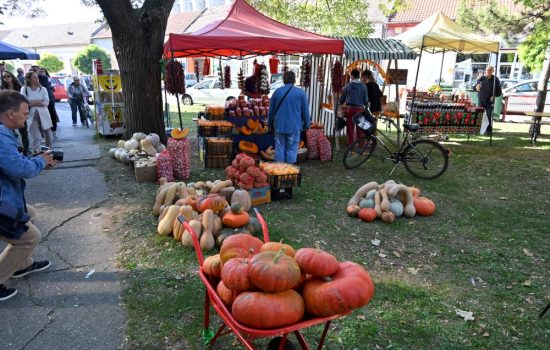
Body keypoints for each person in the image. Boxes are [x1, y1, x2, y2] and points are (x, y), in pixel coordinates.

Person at [0, 90, 55, 302]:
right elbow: (17, 169)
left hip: (7, 196)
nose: (27, 116)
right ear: (11, 113)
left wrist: (39, 161)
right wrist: (40, 161)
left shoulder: (5, 133)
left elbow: (13, 163)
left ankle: (21, 265)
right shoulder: (1, 137)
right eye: (25, 112)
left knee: (28, 214)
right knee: (30, 237)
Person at [267, 71, 310, 164]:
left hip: (279, 125)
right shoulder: (300, 93)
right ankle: (290, 169)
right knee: (292, 148)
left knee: (280, 147)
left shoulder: (277, 92)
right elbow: (305, 111)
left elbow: (271, 110)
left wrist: (269, 123)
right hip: (294, 126)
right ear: (294, 80)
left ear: (283, 80)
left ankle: (280, 170)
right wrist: (307, 123)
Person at [21, 71, 53, 154]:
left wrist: (31, 102)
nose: (37, 79)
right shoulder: (24, 89)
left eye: (37, 77)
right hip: (30, 115)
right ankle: (36, 152)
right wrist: (39, 101)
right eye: (34, 77)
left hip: (44, 114)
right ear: (29, 79)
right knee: (37, 136)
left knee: (47, 133)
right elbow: (24, 102)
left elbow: (46, 103)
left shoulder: (43, 89)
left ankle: (48, 151)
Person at [1, 70, 30, 154]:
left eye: (8, 76)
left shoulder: (19, 86)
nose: (6, 78)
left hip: (19, 111)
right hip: (7, 113)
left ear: (12, 76)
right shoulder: (2, 88)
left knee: (24, 132)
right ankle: (15, 151)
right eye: (4, 77)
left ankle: (26, 150)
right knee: (10, 133)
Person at [339, 69, 369, 145]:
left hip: (350, 109)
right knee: (360, 127)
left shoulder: (347, 86)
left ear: (352, 76)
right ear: (359, 76)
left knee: (350, 128)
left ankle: (351, 147)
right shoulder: (363, 86)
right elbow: (365, 101)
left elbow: (341, 100)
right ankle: (361, 145)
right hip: (359, 109)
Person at [475, 66, 502, 134]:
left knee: (488, 115)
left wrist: (494, 95)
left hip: (489, 101)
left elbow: (499, 91)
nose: (488, 71)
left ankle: (488, 130)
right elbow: (474, 87)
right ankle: (479, 130)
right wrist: (476, 87)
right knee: (480, 115)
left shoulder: (495, 79)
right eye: (487, 70)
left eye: (490, 70)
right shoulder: (481, 78)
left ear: (493, 71)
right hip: (481, 99)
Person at [39, 68, 60, 137]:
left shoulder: (47, 79)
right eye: (40, 71)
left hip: (49, 98)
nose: (42, 72)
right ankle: (46, 132)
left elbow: (53, 88)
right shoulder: (38, 79)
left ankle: (53, 130)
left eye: (43, 71)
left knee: (52, 114)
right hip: (42, 100)